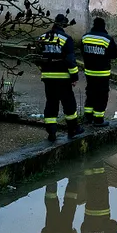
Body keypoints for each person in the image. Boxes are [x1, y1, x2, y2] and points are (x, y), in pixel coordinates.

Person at [36, 14, 83, 142]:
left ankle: (51, 131)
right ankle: (73, 129)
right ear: (64, 25)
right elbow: (70, 60)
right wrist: (74, 77)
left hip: (48, 78)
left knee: (51, 103)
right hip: (63, 78)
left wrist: (43, 69)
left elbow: (36, 57)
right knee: (69, 104)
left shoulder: (42, 38)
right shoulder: (66, 39)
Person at [80, 17, 117, 126]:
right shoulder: (107, 39)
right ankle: (98, 120)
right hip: (102, 73)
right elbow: (115, 54)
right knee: (101, 95)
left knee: (90, 93)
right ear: (103, 26)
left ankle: (88, 117)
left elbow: (82, 51)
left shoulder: (85, 37)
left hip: (89, 71)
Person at [80, 163, 117, 233]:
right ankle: (88, 164)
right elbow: (82, 226)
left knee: (101, 185)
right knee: (90, 188)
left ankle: (98, 162)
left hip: (103, 209)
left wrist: (106, 223)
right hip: (89, 209)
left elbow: (114, 226)